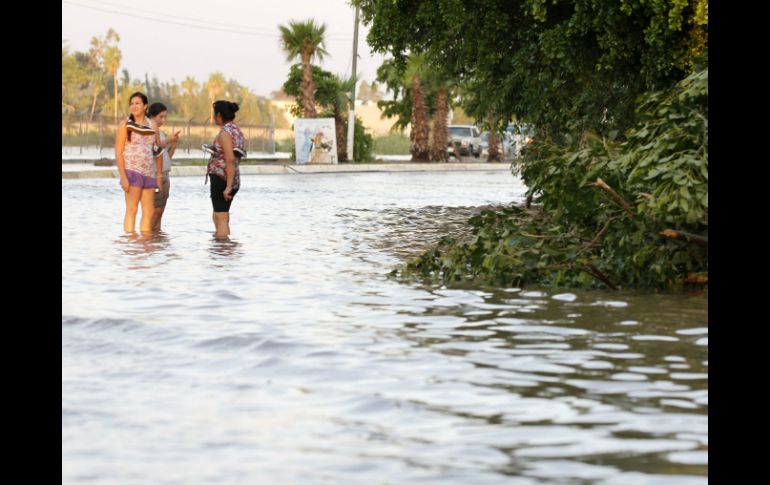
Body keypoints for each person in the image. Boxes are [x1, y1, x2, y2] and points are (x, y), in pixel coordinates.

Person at [114, 92, 163, 233]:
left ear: (145, 106)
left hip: (149, 173)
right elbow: (118, 152)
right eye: (131, 104)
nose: (134, 106)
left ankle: (145, 241)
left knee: (149, 211)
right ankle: (130, 241)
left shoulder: (152, 125)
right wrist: (123, 177)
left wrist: (159, 176)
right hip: (132, 171)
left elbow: (158, 151)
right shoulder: (125, 124)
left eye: (137, 103)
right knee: (132, 209)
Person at [206, 100, 245, 238]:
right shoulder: (237, 131)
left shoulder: (225, 133)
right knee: (221, 215)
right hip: (232, 177)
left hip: (222, 178)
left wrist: (228, 186)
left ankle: (222, 246)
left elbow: (230, 159)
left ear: (219, 115)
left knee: (220, 216)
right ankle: (222, 245)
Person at [147, 102, 180, 231]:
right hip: (155, 175)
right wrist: (168, 140)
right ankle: (147, 236)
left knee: (160, 212)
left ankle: (156, 237)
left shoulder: (159, 133)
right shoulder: (149, 131)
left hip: (165, 174)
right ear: (152, 116)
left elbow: (167, 156)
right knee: (155, 211)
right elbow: (154, 147)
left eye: (164, 117)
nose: (163, 120)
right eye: (160, 117)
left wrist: (174, 143)